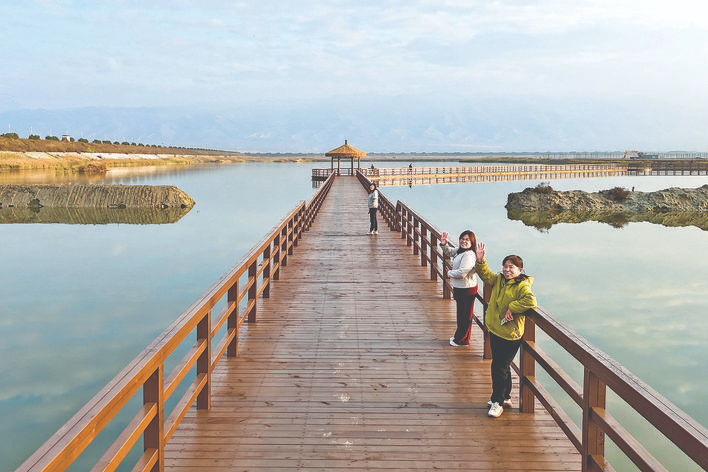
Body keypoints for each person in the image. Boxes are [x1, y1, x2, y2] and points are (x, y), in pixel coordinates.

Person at [474, 242, 537, 418]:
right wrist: (481, 261)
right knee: (503, 366)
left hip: (510, 335)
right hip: (495, 329)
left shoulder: (522, 285)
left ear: (519, 270)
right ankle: (506, 397)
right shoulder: (500, 280)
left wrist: (512, 307)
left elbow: (531, 302)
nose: (507, 270)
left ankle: (497, 402)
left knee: (499, 367)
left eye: (512, 267)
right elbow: (485, 275)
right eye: (505, 266)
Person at [440, 230, 478, 346]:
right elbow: (451, 252)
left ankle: (462, 340)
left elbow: (462, 273)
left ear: (472, 242)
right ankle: (460, 336)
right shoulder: (462, 250)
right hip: (461, 288)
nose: (464, 241)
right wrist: (444, 244)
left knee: (465, 316)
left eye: (467, 239)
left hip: (467, 288)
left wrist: (450, 273)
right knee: (461, 314)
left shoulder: (469, 255)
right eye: (462, 238)